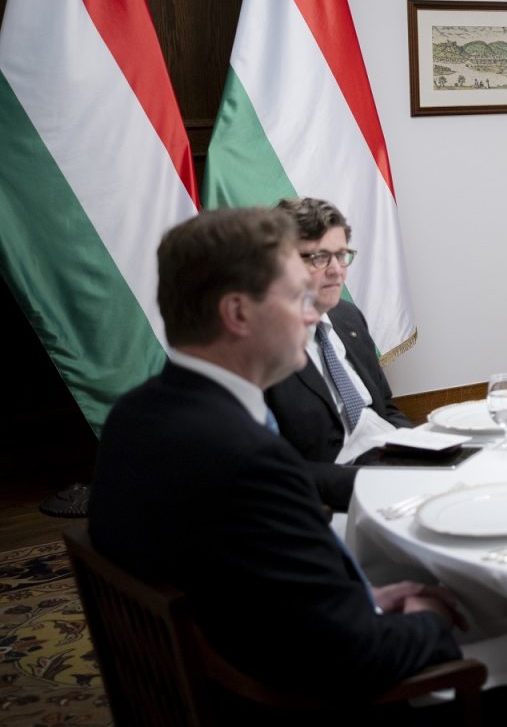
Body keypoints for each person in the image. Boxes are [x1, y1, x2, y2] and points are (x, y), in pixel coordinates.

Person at [88, 208, 462, 715]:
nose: (312, 315)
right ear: (238, 313)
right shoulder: (248, 460)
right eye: (296, 297)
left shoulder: (134, 416)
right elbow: (357, 659)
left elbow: (251, 586)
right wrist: (431, 614)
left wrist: (364, 602)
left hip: (244, 654)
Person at [266, 197, 413, 509]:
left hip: (394, 467)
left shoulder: (347, 317)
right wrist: (370, 483)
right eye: (319, 258)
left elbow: (385, 408)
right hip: (331, 499)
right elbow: (270, 469)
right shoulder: (258, 346)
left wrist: (424, 451)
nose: (336, 271)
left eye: (341, 255)